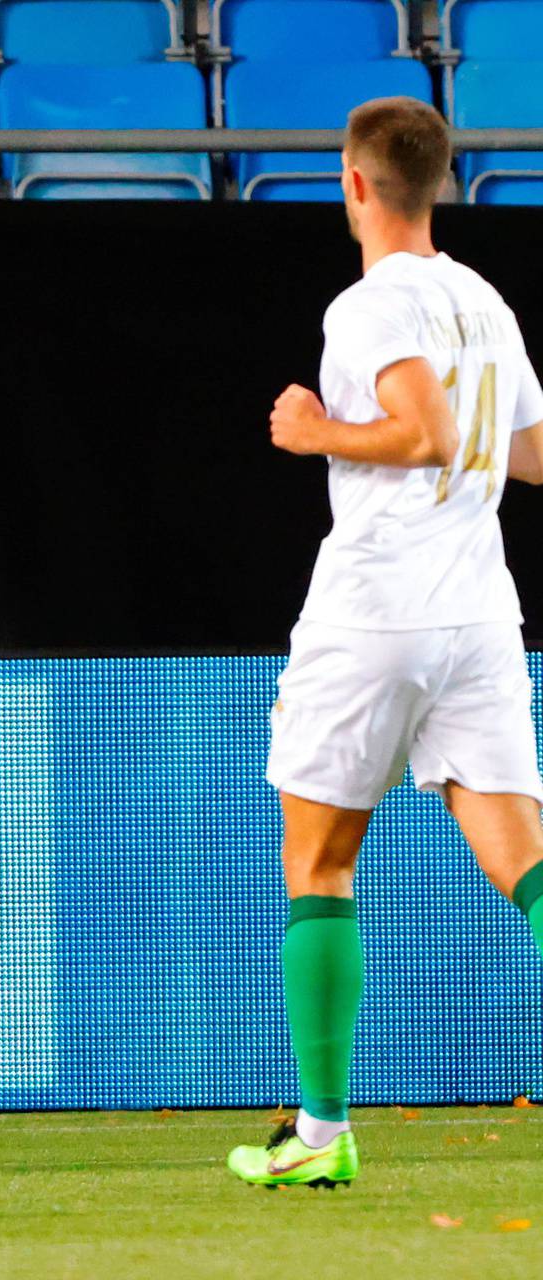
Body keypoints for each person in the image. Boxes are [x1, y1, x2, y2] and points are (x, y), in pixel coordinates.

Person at [227, 96, 543, 1188]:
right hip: (480, 615)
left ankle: (320, 1135)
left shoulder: (368, 308)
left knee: (319, 863)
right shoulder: (484, 300)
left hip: (376, 611)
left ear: (355, 183)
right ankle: (318, 1134)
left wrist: (315, 432)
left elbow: (427, 433)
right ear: (439, 182)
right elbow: (530, 453)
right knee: (530, 869)